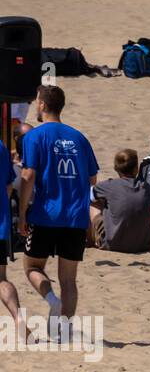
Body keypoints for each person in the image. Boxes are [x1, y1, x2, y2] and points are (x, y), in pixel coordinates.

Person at [17, 85, 98, 340]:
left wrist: (22, 213)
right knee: (69, 279)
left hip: (46, 213)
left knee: (32, 267)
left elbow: (28, 176)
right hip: (75, 216)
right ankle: (62, 331)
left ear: (42, 105)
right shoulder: (79, 137)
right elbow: (93, 178)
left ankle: (51, 299)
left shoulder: (35, 136)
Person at [88, 150, 150, 254]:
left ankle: (91, 241)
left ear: (116, 168)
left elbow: (88, 196)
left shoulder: (109, 186)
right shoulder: (146, 187)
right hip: (142, 245)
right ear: (136, 169)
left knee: (92, 203)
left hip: (113, 244)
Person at [0, 142, 21, 330]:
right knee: (1, 279)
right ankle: (17, 318)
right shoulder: (1, 147)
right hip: (0, 224)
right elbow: (9, 187)